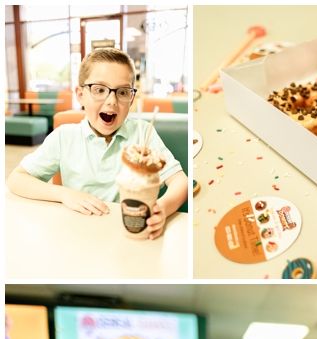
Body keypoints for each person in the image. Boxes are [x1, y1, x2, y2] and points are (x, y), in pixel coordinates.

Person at [7, 48, 186, 240]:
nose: (112, 101)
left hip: (131, 234)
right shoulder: (63, 137)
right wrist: (64, 194)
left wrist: (163, 208)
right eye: (99, 90)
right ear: (80, 94)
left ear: (132, 97)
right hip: (79, 237)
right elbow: (16, 179)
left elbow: (180, 181)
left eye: (123, 92)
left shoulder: (143, 134)